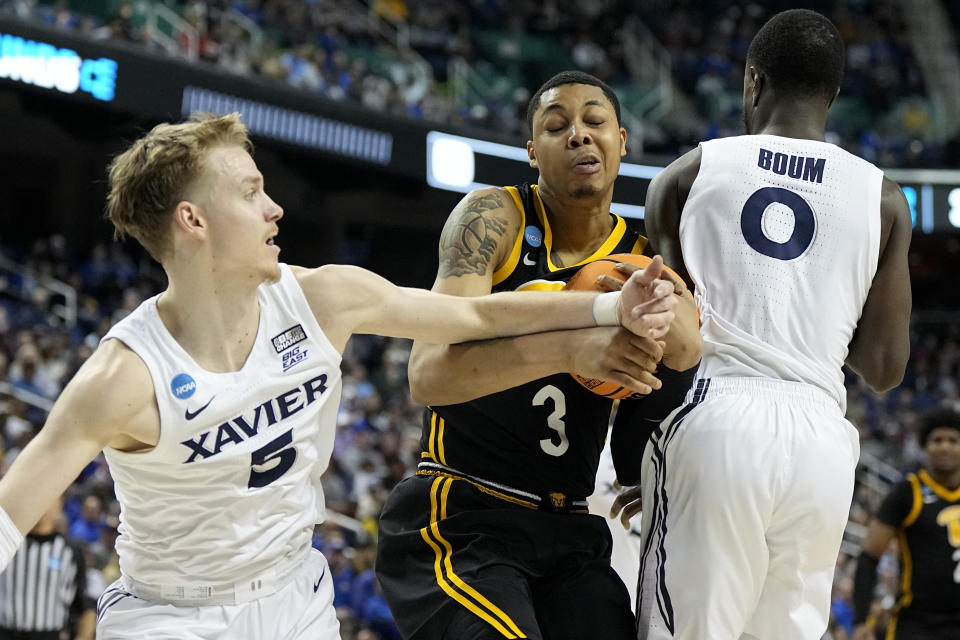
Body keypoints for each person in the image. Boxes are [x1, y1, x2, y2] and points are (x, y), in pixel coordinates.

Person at [0, 113, 681, 639]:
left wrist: (604, 305)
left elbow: (471, 315)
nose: (276, 209)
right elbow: (11, 510)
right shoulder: (124, 377)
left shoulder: (324, 297)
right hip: (171, 615)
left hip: (296, 600)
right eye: (251, 192)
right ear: (193, 221)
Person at [375, 70, 702, 640]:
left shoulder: (643, 257)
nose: (578, 134)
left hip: (569, 527)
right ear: (532, 152)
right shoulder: (493, 218)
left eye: (595, 122)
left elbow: (690, 350)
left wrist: (656, 317)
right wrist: (574, 345)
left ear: (622, 141)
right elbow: (427, 376)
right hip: (463, 512)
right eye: (558, 126)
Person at [624, 9, 913, 640]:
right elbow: (886, 369)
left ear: (752, 82)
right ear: (833, 96)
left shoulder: (687, 172)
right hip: (820, 440)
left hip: (716, 412)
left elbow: (660, 329)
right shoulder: (884, 196)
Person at [852, 407, 960, 640]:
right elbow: (870, 555)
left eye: (953, 440)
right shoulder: (906, 492)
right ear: (924, 446)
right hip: (917, 625)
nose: (945, 446)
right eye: (937, 440)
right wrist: (860, 620)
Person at [0, 495, 95, 640]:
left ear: (59, 503)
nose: (41, 504)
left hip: (48, 635)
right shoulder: (6, 542)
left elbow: (84, 606)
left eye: (47, 498)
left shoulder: (70, 552)